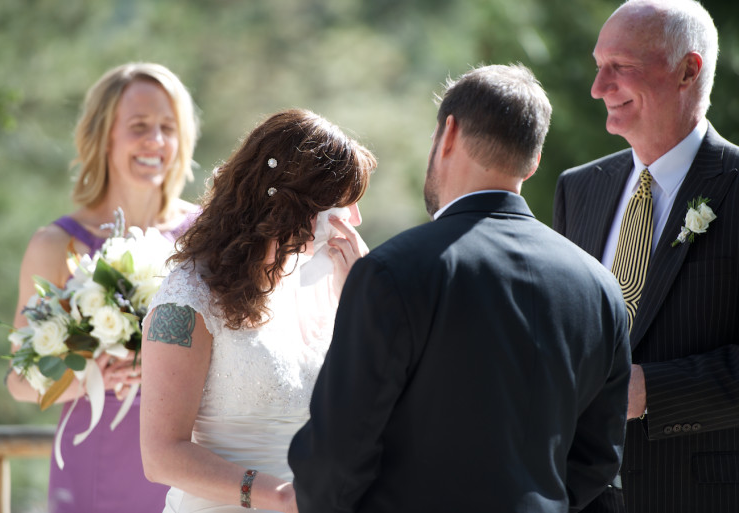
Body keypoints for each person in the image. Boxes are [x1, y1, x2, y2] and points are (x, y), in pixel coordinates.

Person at [288, 64, 631, 513]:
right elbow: (597, 458)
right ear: (534, 161)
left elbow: (334, 455)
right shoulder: (601, 290)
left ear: (448, 134)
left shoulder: (393, 272)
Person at [139, 108, 377, 512]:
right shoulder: (188, 295)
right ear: (292, 202)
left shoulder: (328, 282)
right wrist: (278, 496)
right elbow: (161, 455)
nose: (355, 218)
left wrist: (363, 304)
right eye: (343, 202)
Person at [553, 1, 739, 511]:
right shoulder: (579, 189)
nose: (598, 88)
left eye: (621, 68)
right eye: (598, 67)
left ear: (688, 69)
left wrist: (651, 390)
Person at [7, 62, 201, 512]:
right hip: (93, 466)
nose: (156, 141)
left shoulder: (207, 236)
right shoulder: (56, 245)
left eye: (167, 127)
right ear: (104, 135)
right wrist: (92, 374)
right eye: (139, 126)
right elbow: (19, 381)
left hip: (189, 462)